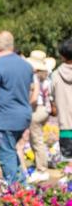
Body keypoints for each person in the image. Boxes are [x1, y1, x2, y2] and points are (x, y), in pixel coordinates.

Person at [0, 31, 33, 184]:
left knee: (7, 158)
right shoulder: (26, 65)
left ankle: (18, 194)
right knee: (14, 154)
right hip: (23, 116)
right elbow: (31, 90)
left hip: (4, 118)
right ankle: (24, 188)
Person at [26, 51, 53, 180]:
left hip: (37, 109)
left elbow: (35, 98)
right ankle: (39, 165)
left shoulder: (34, 77)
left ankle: (41, 169)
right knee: (36, 139)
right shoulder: (45, 76)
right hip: (45, 110)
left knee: (37, 140)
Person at [48, 38, 72, 180]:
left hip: (65, 125)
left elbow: (51, 97)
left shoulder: (56, 75)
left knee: (68, 162)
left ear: (62, 56)